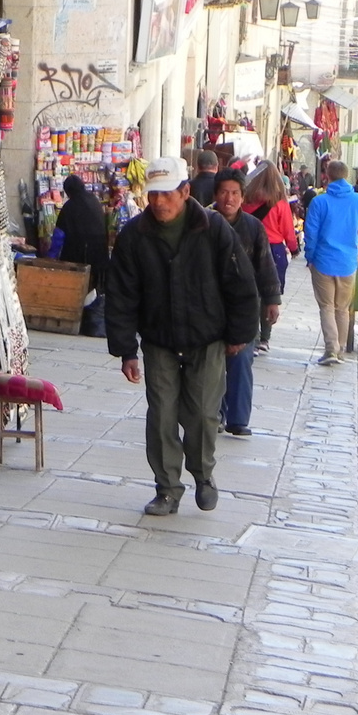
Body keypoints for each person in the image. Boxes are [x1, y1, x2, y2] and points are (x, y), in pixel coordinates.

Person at [104, 157, 260, 516]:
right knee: (161, 415)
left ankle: (203, 475)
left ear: (185, 192)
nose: (159, 203)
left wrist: (240, 334)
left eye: (167, 194)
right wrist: (126, 349)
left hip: (207, 337)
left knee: (203, 414)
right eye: (153, 195)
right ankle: (167, 488)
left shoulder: (214, 229)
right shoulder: (135, 236)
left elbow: (241, 284)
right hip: (159, 338)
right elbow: (122, 296)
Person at [211, 169, 282, 436]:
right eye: (223, 193)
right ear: (216, 195)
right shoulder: (203, 222)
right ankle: (214, 413)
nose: (228, 199)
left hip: (244, 307)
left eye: (234, 193)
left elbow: (265, 265)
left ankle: (238, 419)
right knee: (213, 363)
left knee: (241, 360)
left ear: (242, 197)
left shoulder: (253, 227)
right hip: (210, 306)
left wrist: (272, 300)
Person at [304, 159, 358, 365]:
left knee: (326, 306)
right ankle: (340, 349)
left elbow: (311, 232)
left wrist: (310, 257)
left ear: (328, 175)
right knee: (342, 308)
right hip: (348, 261)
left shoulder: (319, 201)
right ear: (346, 176)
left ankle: (331, 349)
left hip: (323, 259)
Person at [243, 167, 299, 353]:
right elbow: (287, 230)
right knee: (270, 293)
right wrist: (293, 248)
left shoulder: (247, 201)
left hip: (249, 247)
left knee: (252, 292)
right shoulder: (279, 203)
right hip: (274, 250)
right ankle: (265, 338)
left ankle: (253, 334)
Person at [48, 174, 110, 291]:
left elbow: (58, 236)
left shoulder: (69, 207)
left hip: (80, 257)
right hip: (100, 255)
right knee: (95, 290)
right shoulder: (94, 200)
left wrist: (50, 259)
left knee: (77, 291)